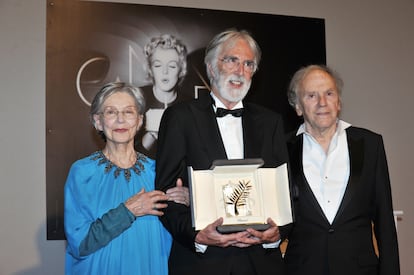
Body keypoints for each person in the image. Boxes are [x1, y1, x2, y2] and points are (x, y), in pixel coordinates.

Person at [155, 29, 290, 275]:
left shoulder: (271, 122)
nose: (240, 71)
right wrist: (198, 235)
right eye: (231, 60)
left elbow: (287, 192)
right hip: (203, 264)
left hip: (261, 262)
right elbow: (166, 196)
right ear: (211, 67)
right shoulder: (180, 118)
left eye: (248, 64)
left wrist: (277, 233)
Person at [284, 64, 400, 275]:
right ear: (298, 107)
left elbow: (385, 222)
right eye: (311, 95)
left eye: (329, 93)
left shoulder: (370, 144)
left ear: (338, 102)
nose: (322, 102)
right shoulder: (282, 149)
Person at [64, 82, 189, 275]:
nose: (120, 120)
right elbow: (80, 245)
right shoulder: (82, 172)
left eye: (128, 112)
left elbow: (178, 237)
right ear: (98, 121)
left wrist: (186, 203)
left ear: (139, 121)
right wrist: (128, 210)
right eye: (111, 112)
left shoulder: (158, 172)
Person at [138, 34, 191, 158]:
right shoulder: (135, 100)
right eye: (158, 65)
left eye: (172, 66)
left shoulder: (190, 106)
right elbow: (124, 160)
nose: (165, 72)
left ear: (181, 70)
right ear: (150, 69)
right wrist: (150, 135)